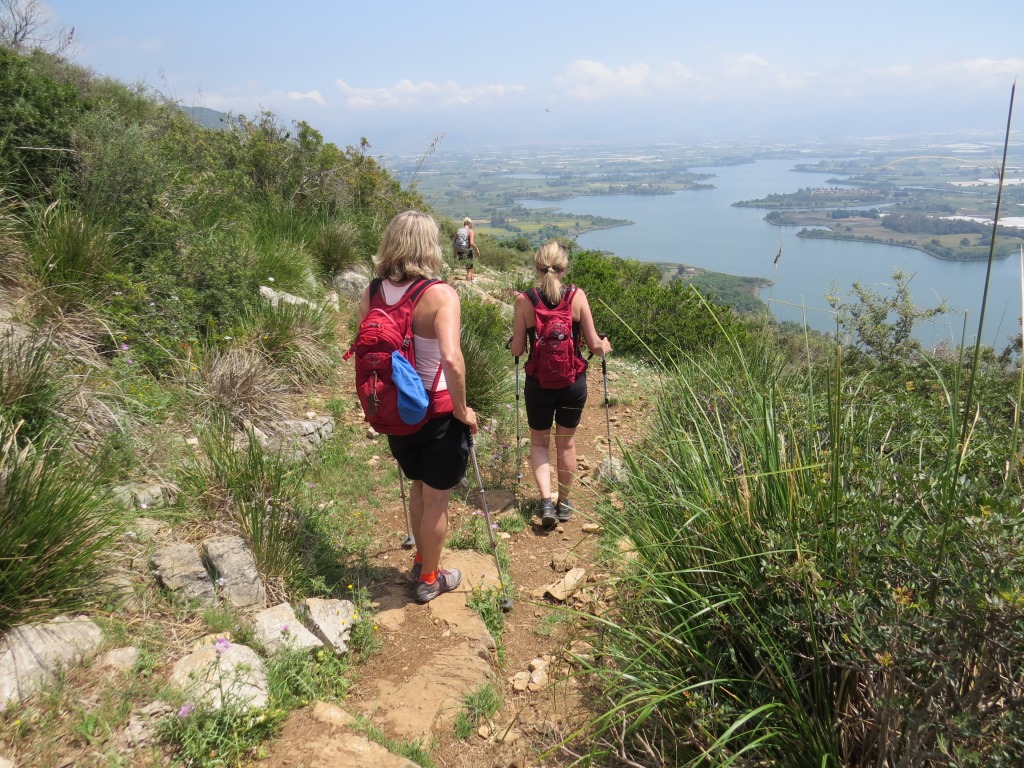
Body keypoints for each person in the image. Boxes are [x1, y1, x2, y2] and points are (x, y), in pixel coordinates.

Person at [357, 210, 478, 602]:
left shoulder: (372, 292)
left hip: (395, 413)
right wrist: (463, 410)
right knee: (437, 497)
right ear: (430, 246)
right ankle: (429, 578)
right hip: (438, 412)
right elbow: (452, 360)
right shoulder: (440, 294)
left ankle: (422, 558)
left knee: (418, 487)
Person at [509, 241, 611, 529]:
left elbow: (518, 350)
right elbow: (594, 345)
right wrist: (604, 346)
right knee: (566, 444)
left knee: (540, 442)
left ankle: (545, 502)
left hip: (538, 385)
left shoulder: (525, 300)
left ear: (537, 267)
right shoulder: (577, 297)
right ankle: (564, 503)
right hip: (572, 383)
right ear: (564, 268)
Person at [453, 217, 481, 283]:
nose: (472, 225)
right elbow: (471, 243)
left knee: (469, 268)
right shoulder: (470, 231)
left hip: (459, 251)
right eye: (471, 223)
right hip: (467, 251)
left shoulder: (459, 230)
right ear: (469, 223)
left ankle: (471, 280)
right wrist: (477, 250)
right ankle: (468, 285)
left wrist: (455, 254)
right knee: (469, 270)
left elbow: (454, 242)